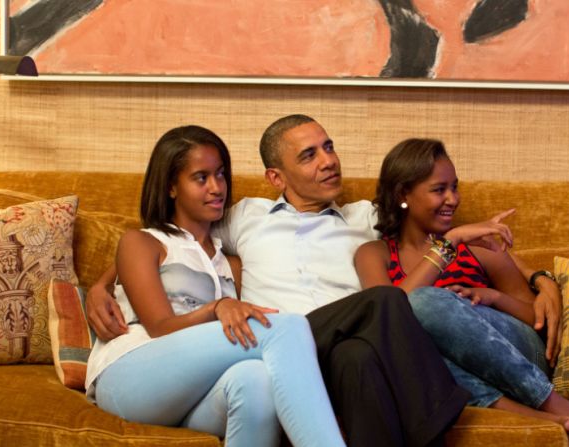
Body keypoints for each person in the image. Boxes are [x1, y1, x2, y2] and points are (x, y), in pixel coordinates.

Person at [86, 116, 471, 447]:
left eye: (220, 175)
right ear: (275, 176)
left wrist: (533, 278)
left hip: (313, 356)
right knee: (342, 311)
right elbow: (153, 250)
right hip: (196, 354)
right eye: (309, 155)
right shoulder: (244, 217)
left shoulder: (359, 219)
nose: (216, 187)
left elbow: (424, 218)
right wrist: (101, 287)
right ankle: (441, 411)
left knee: (277, 376)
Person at [85, 125, 345, 447]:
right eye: (201, 177)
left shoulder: (230, 262)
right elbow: (160, 327)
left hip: (190, 390)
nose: (216, 187)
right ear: (171, 187)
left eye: (220, 175)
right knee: (287, 327)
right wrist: (217, 307)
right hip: (131, 375)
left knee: (256, 381)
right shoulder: (144, 242)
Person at [354, 138, 569, 447]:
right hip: (446, 371)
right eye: (438, 189)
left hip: (518, 356)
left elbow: (535, 320)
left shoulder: (479, 247)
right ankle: (536, 418)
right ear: (403, 194)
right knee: (405, 343)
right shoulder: (374, 253)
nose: (452, 199)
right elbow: (387, 316)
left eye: (454, 187)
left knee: (424, 303)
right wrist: (449, 244)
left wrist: (492, 297)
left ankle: (554, 403)